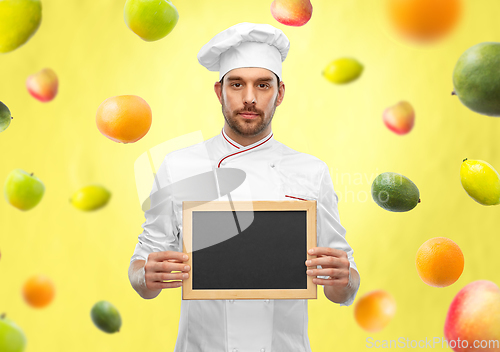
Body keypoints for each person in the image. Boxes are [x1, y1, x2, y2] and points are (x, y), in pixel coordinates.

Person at [128, 22, 361, 352]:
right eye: (237, 84)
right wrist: (146, 276)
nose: (249, 98)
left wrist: (344, 278)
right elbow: (140, 271)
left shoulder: (311, 171)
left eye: (263, 85)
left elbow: (344, 286)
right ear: (219, 91)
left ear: (279, 93)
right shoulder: (178, 166)